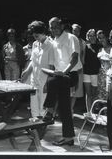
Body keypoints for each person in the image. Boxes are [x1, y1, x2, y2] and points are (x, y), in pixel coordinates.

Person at [43, 17, 82, 146]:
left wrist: (64, 72)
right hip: (59, 77)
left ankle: (49, 110)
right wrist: (53, 74)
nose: (53, 30)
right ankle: (68, 137)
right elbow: (54, 63)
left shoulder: (71, 38)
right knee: (64, 108)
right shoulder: (53, 41)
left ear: (61, 26)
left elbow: (75, 59)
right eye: (51, 27)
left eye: (56, 27)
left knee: (53, 81)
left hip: (70, 74)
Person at [21, 21, 54, 120]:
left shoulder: (51, 45)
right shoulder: (35, 44)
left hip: (45, 80)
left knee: (43, 106)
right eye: (33, 33)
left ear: (43, 32)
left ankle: (42, 128)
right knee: (34, 105)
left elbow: (52, 67)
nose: (35, 35)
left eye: (37, 33)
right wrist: (26, 71)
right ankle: (35, 127)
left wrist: (48, 83)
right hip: (34, 79)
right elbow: (33, 61)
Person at [83, 29, 101, 115]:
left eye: (94, 35)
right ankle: (88, 112)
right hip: (86, 73)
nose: (92, 37)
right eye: (90, 35)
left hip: (95, 73)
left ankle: (94, 113)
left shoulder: (99, 46)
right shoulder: (85, 46)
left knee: (94, 94)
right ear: (88, 37)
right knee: (88, 94)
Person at [70, 23, 86, 113]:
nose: (76, 32)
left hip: (78, 69)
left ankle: (70, 109)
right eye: (74, 30)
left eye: (78, 31)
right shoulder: (67, 40)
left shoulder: (82, 42)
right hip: (68, 68)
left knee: (76, 91)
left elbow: (83, 58)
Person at [96, 30, 112, 101]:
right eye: (99, 38)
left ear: (107, 38)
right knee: (101, 93)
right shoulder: (100, 49)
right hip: (101, 74)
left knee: (109, 93)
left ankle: (108, 111)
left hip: (110, 74)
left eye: (103, 37)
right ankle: (102, 111)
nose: (101, 39)